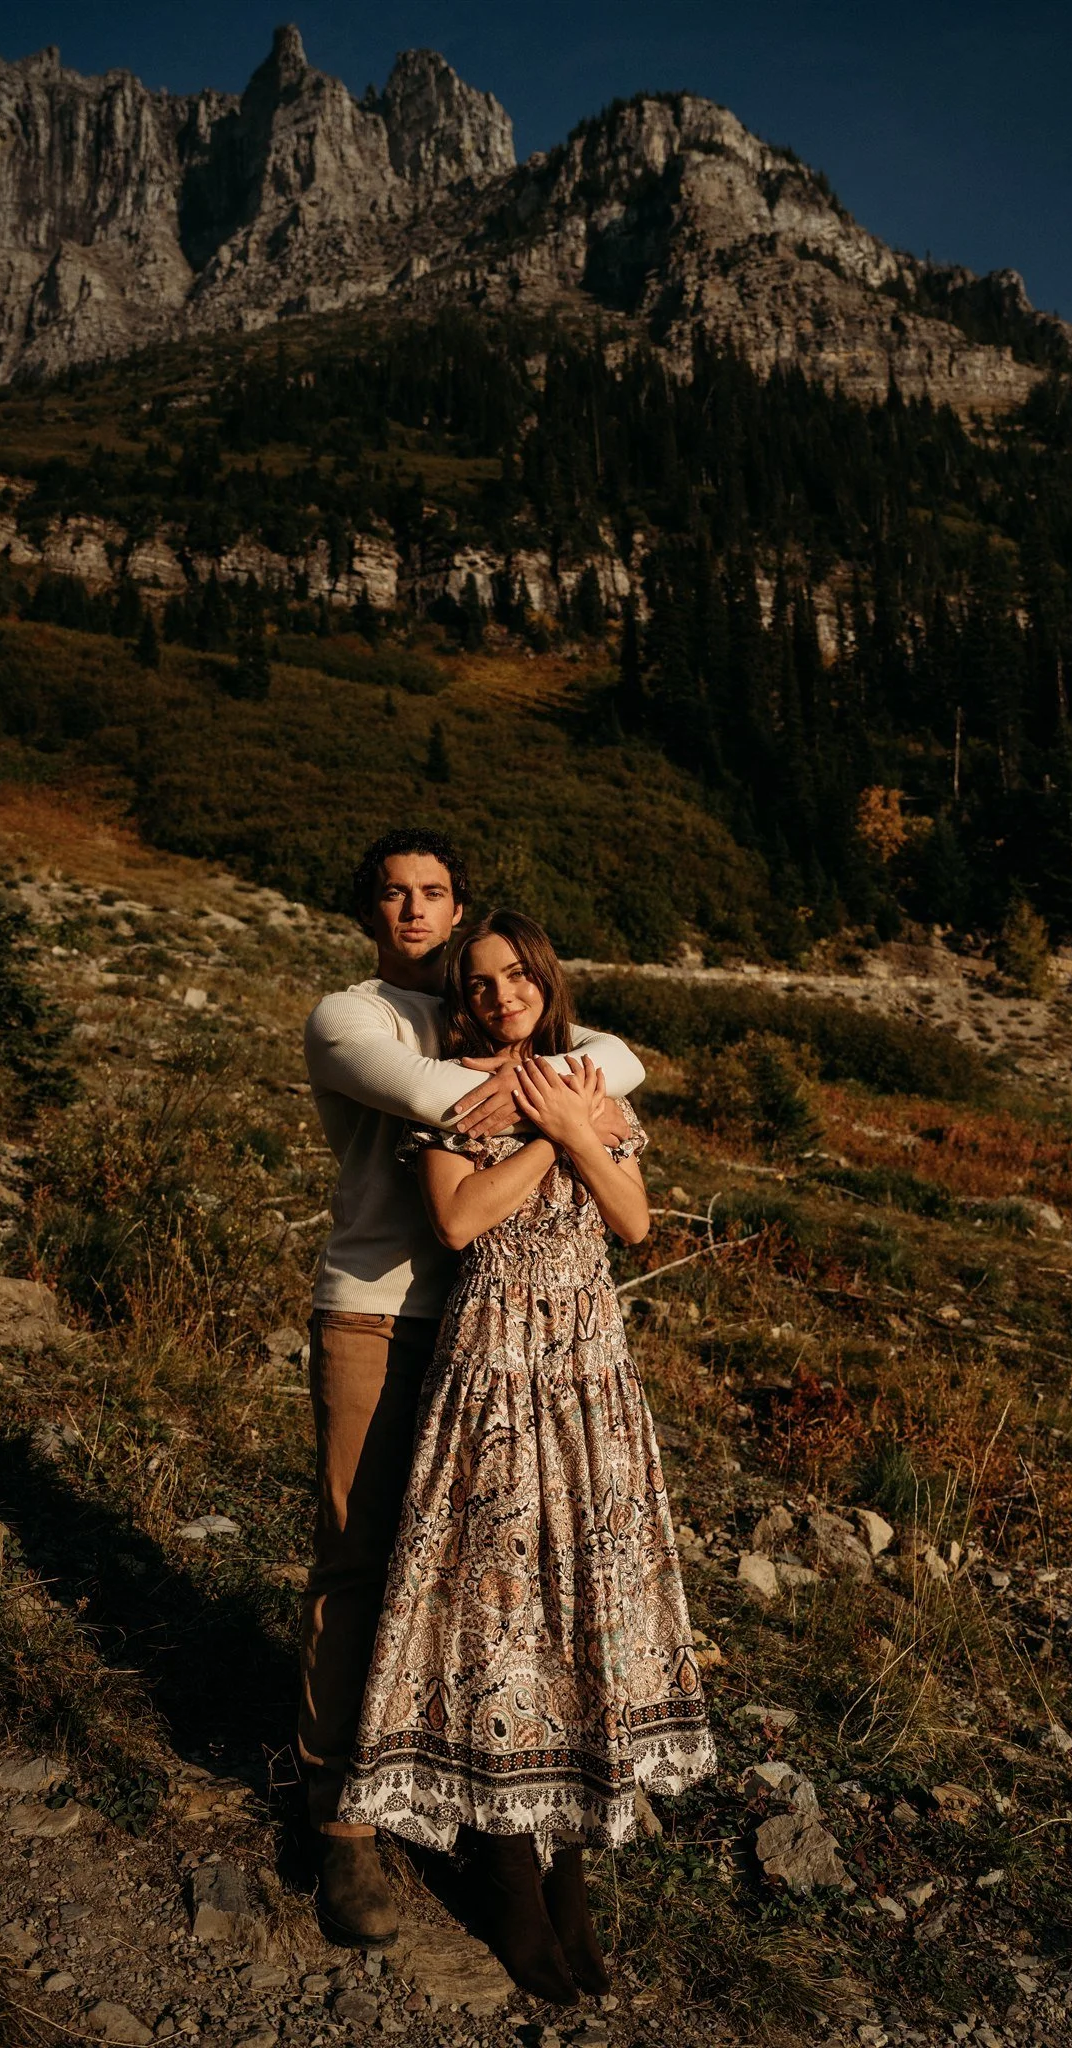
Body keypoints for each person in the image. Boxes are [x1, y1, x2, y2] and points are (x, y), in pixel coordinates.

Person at [337, 909, 715, 2004]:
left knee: (582, 1599)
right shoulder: (451, 1090)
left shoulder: (590, 1079)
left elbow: (635, 1222)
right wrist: (552, 1132)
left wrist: (581, 1125)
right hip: (496, 1362)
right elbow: (458, 1222)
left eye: (516, 976)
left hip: (591, 1364)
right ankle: (503, 1861)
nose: (500, 994)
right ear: (461, 996)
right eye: (480, 980)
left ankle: (573, 1858)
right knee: (496, 1603)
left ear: (546, 983)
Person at [300, 833, 647, 1946]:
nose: (414, 909)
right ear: (369, 909)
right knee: (361, 1555)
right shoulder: (351, 1017)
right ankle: (341, 1818)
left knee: (477, 1570)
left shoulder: (486, 1005)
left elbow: (623, 1055)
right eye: (394, 893)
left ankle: (472, 1790)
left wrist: (577, 1086)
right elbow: (436, 1097)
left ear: (457, 908)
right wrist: (567, 1104)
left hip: (493, 1333)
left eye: (433, 892)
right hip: (373, 1304)